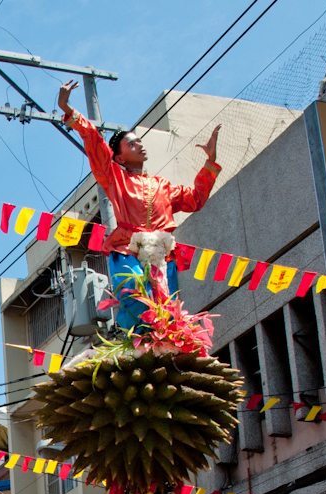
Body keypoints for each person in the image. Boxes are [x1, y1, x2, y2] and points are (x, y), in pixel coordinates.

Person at [56, 78, 219, 333]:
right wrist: (69, 111)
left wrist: (210, 164)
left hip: (164, 253)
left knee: (167, 308)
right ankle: (136, 343)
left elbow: (195, 199)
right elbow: (95, 143)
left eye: (140, 142)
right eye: (132, 144)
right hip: (127, 248)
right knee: (133, 294)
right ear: (119, 157)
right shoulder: (114, 177)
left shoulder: (163, 185)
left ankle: (164, 345)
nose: (139, 145)